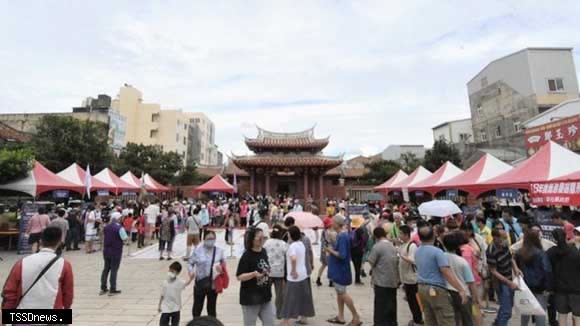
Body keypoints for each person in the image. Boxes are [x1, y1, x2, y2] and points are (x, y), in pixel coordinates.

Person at [1, 227, 74, 310]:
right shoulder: (65, 265)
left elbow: (10, 292)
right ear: (60, 243)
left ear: (40, 241)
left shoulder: (21, 263)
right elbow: (68, 293)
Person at [414, 223, 467, 326]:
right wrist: (461, 289)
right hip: (436, 289)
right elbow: (446, 271)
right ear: (434, 236)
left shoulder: (417, 251)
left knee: (430, 319)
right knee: (446, 319)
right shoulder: (437, 252)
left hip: (421, 288)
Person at [325, 214, 361, 326]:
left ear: (336, 223)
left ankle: (356, 316)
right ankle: (340, 316)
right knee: (339, 293)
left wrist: (329, 250)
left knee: (342, 293)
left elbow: (342, 255)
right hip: (339, 269)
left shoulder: (342, 236)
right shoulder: (341, 235)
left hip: (340, 270)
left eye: (333, 222)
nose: (331, 223)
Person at [236, 227, 275, 325]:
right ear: (252, 240)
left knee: (270, 323)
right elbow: (239, 276)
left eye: (264, 237)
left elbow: (265, 266)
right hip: (250, 298)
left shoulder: (264, 251)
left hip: (265, 296)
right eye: (259, 238)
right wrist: (253, 274)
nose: (262, 240)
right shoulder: (246, 256)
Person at [514, 228, 552, 326]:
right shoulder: (541, 253)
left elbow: (516, 267)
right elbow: (547, 270)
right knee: (540, 312)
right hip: (540, 286)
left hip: (525, 286)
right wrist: (548, 286)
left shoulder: (519, 252)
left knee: (525, 310)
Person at [280, 226, 315, 325]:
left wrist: (293, 270)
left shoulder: (292, 246)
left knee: (289, 298)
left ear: (290, 235)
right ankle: (304, 317)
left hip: (294, 277)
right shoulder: (301, 244)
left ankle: (286, 321)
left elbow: (294, 258)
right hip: (303, 274)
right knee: (303, 297)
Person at [486, 228, 521, 326]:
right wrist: (509, 283)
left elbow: (511, 258)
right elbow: (493, 271)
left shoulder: (504, 244)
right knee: (507, 312)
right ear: (495, 237)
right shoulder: (490, 250)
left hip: (509, 278)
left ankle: (497, 323)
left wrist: (516, 269)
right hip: (501, 282)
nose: (504, 240)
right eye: (502, 238)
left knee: (506, 306)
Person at [442, 232, 479, 326]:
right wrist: (476, 297)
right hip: (464, 294)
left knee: (454, 319)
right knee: (467, 319)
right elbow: (471, 282)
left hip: (447, 292)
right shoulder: (462, 262)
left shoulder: (441, 257)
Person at [547, 228, 580, 326]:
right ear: (566, 237)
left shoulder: (551, 252)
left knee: (562, 317)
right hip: (576, 289)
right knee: (577, 318)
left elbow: (547, 270)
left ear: (553, 239)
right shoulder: (575, 252)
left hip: (559, 289)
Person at [188, 230, 225, 318]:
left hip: (213, 284)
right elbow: (190, 262)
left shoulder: (219, 251)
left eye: (212, 238)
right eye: (208, 238)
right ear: (204, 239)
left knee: (211, 309)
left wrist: (221, 269)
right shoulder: (198, 251)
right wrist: (191, 271)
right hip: (200, 283)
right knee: (197, 308)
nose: (210, 240)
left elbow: (223, 264)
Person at [367, 226, 399, 326]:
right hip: (393, 280)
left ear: (375, 236)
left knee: (380, 306)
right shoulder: (392, 246)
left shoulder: (377, 246)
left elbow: (371, 262)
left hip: (381, 281)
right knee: (392, 304)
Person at [398, 225, 423, 326]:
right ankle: (416, 318)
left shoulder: (412, 246)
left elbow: (413, 260)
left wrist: (401, 256)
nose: (399, 235)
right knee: (411, 300)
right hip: (406, 278)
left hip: (412, 278)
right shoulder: (403, 244)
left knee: (414, 301)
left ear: (406, 234)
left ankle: (418, 319)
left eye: (401, 233)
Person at [263, 225, 288, 320]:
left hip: (268, 271)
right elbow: (287, 254)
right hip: (279, 272)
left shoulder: (267, 243)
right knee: (279, 294)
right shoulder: (283, 244)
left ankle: (266, 312)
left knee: (266, 292)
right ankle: (279, 313)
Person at [158, 262, 195, 326]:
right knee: (163, 323)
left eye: (172, 271)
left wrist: (191, 279)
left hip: (176, 307)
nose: (170, 272)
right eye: (169, 270)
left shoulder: (179, 282)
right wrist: (159, 305)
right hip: (166, 307)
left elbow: (186, 284)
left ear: (177, 273)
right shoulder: (165, 282)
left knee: (175, 323)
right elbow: (162, 295)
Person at [100, 212, 128, 296]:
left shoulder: (106, 227)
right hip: (116, 251)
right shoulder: (120, 228)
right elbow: (125, 238)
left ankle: (103, 287)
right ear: (118, 219)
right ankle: (112, 288)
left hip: (106, 251)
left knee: (106, 269)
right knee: (114, 269)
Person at [316, 216, 336, 287]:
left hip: (323, 250)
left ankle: (318, 278)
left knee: (324, 265)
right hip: (328, 251)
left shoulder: (323, 231)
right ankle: (331, 281)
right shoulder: (328, 232)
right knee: (331, 266)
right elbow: (332, 241)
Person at [350, 217, 367, 285]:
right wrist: (363, 247)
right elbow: (363, 239)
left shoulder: (352, 229)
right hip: (359, 250)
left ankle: (357, 279)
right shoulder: (360, 230)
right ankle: (357, 280)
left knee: (355, 265)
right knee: (358, 265)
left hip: (352, 250)